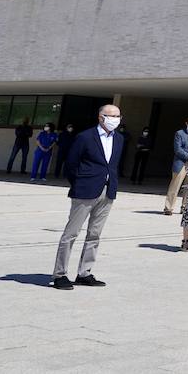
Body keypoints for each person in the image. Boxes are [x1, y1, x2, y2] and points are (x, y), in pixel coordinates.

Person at [51, 105, 123, 289]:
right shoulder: (85, 137)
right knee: (71, 233)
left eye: (118, 116)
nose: (115, 119)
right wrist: (80, 183)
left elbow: (112, 165)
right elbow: (71, 163)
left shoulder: (119, 139)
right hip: (85, 191)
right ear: (101, 117)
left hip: (107, 191)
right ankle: (60, 274)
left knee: (95, 234)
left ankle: (85, 272)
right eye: (111, 116)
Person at [163, 116, 188, 215]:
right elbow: (178, 150)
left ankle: (185, 207)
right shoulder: (179, 133)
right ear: (186, 124)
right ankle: (168, 208)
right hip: (182, 162)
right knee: (175, 185)